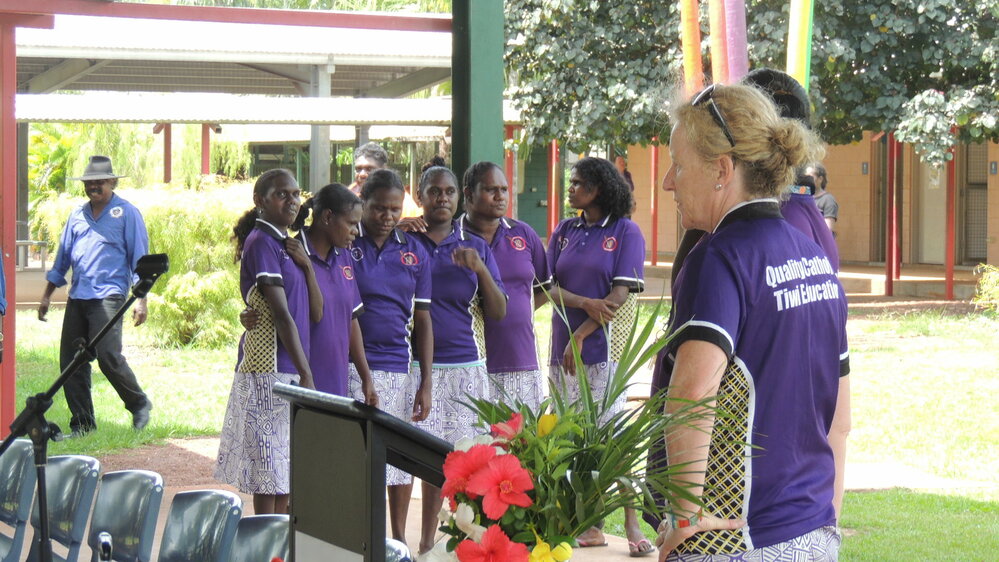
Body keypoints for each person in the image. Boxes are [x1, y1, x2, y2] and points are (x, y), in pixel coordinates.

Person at [654, 83, 848, 561]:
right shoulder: (813, 256)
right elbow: (840, 420)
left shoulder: (718, 257)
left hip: (738, 539)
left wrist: (684, 516)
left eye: (678, 164)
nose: (668, 183)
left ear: (722, 170)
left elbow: (691, 395)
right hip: (813, 532)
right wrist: (827, 518)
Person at [400, 164, 507, 555]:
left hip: (463, 366)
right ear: (421, 195)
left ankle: (431, 544)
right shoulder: (403, 241)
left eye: (448, 192)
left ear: (457, 198)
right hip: (408, 366)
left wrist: (480, 269)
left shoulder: (474, 245)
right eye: (434, 191)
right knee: (405, 459)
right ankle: (398, 542)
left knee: (453, 462)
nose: (442, 198)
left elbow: (499, 311)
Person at [546, 156, 650, 556]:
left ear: (600, 188)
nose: (570, 189)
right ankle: (585, 524)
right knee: (568, 436)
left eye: (578, 183)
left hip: (602, 353)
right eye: (570, 183)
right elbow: (548, 287)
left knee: (611, 437)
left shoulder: (626, 232)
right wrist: (584, 304)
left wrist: (582, 333)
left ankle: (630, 523)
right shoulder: (565, 230)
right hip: (561, 350)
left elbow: (620, 297)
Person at [215, 168, 319, 515]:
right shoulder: (261, 243)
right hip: (269, 370)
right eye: (281, 194)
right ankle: (267, 544)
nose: (291, 201)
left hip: (288, 366)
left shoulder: (286, 244)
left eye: (295, 194)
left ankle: (278, 547)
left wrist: (306, 266)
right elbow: (280, 314)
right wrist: (307, 373)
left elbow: (309, 311)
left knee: (283, 469)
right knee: (268, 469)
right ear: (260, 201)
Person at [348, 168, 434, 546]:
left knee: (400, 462)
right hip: (351, 366)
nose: (386, 216)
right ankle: (360, 539)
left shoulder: (415, 250)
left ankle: (397, 542)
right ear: (362, 203)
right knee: (357, 457)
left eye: (394, 209)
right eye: (379, 207)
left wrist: (425, 380)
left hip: (400, 367)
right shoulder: (346, 244)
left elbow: (424, 319)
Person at [38, 155, 153, 436]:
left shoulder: (127, 213)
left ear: (112, 182)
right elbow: (62, 258)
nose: (94, 187)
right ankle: (83, 424)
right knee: (71, 362)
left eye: (100, 182)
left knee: (108, 356)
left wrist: (142, 299)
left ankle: (139, 403)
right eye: (89, 183)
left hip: (110, 297)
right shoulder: (77, 215)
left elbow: (140, 259)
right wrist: (46, 296)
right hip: (79, 296)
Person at [459, 161, 551, 411]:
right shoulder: (452, 237)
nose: (500, 197)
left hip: (521, 359)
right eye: (491, 190)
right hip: (469, 362)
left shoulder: (524, 234)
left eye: (504, 189)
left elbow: (544, 288)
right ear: (469, 193)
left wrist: (518, 313)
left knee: (521, 444)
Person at [808, 163, 839, 233]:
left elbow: (828, 229)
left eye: (810, 177)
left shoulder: (828, 200)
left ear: (820, 179)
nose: (807, 180)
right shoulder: (804, 198)